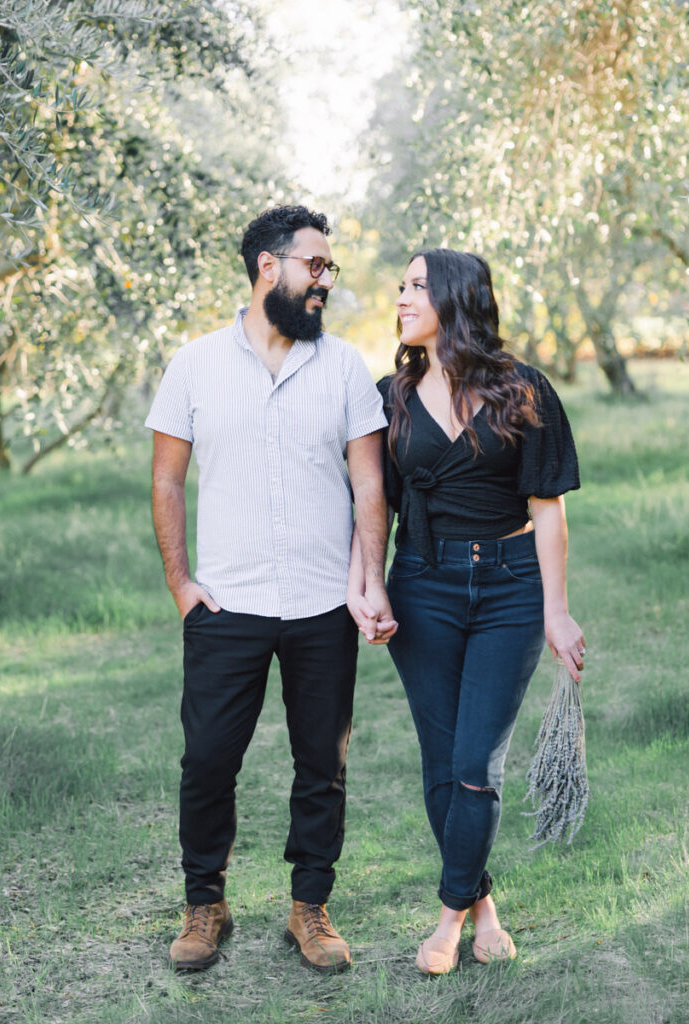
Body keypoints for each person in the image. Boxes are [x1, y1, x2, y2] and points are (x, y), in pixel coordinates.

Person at [145, 204, 396, 974]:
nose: (327, 281)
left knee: (323, 763)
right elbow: (166, 479)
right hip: (227, 605)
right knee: (209, 761)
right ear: (268, 266)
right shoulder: (194, 365)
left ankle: (310, 908)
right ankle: (204, 904)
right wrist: (182, 582)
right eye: (315, 266)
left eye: (330, 269)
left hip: (323, 603)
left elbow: (369, 483)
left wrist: (370, 582)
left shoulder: (347, 366)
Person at [347, 248, 584, 974]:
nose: (402, 296)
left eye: (418, 286)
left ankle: (448, 919)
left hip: (510, 590)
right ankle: (483, 907)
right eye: (402, 286)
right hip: (424, 584)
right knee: (444, 765)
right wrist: (371, 585)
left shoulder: (525, 389)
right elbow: (373, 503)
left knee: (477, 765)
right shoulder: (390, 395)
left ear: (456, 298)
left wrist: (557, 611)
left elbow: (548, 512)